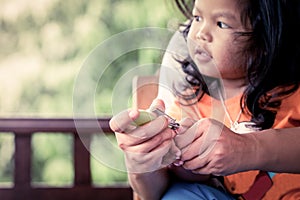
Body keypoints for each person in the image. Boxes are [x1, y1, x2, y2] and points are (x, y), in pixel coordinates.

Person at [109, 0, 300, 199]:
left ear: (266, 40)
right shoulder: (188, 104)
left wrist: (248, 148)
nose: (200, 33)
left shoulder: (292, 94)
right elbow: (157, 194)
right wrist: (144, 164)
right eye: (197, 18)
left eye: (221, 24)